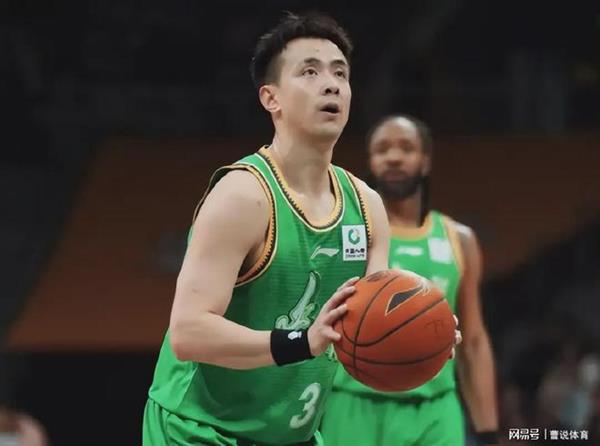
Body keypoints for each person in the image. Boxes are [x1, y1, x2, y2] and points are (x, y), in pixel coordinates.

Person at [142, 12, 393, 446]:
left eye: (340, 73)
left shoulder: (367, 206)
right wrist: (303, 341)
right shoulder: (243, 196)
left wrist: (419, 331)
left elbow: (369, 323)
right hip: (200, 430)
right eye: (310, 72)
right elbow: (188, 332)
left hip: (292, 436)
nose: (331, 84)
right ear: (270, 98)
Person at [321, 115, 499, 446]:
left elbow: (473, 340)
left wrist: (488, 431)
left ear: (425, 161)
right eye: (382, 149)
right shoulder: (345, 232)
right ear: (371, 161)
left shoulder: (458, 239)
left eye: (406, 148)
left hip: (435, 409)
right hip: (353, 403)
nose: (393, 157)